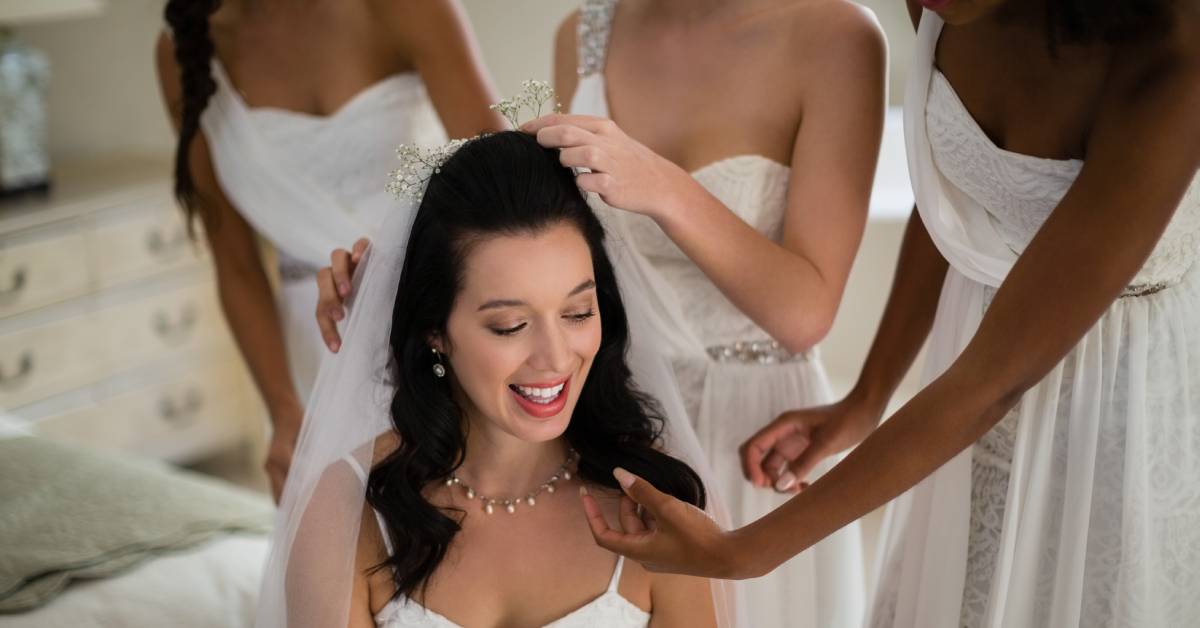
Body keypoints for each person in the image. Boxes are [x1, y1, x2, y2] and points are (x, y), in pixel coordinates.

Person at [578, 2, 1200, 628]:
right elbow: (959, 201)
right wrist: (866, 398)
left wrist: (744, 551)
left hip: (1113, 394)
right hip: (969, 367)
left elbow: (993, 380)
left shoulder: (1175, 58)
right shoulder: (945, 7)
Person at [258, 130, 736, 628]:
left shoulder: (657, 502)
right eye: (510, 325)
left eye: (577, 313)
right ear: (435, 331)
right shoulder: (346, 508)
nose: (555, 357)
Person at [155, 0, 503, 499]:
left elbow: (500, 190)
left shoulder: (407, 8)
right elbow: (235, 263)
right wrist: (284, 411)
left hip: (435, 318)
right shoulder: (182, 51)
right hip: (317, 351)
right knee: (347, 545)